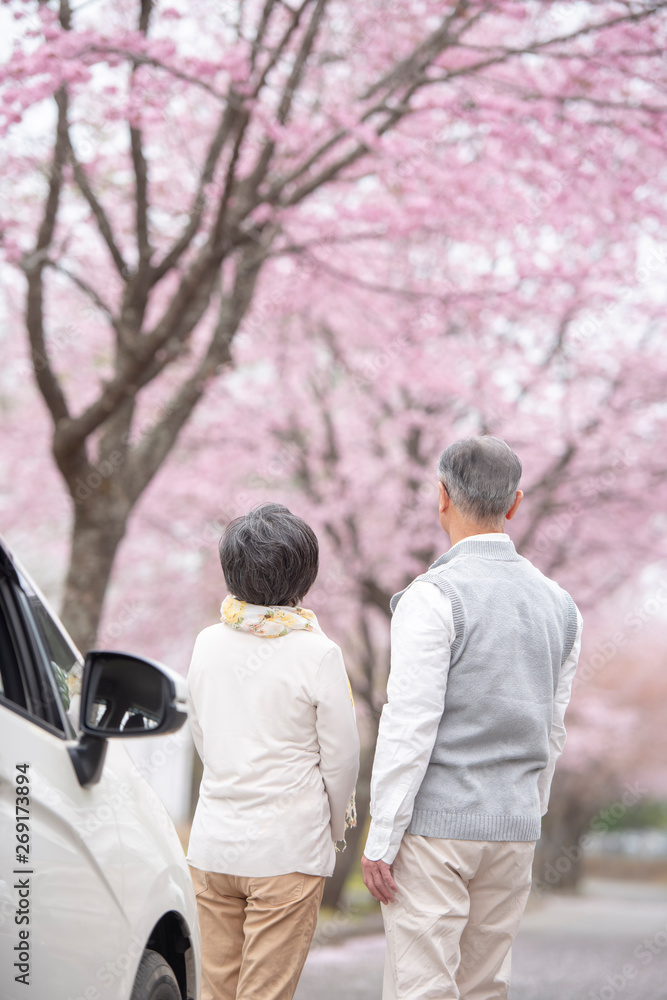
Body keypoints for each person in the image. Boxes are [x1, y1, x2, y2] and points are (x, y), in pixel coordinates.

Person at [361, 436, 582, 1000]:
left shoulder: (432, 597)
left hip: (436, 831)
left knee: (422, 989)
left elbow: (409, 724)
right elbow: (553, 729)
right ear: (515, 504)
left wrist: (382, 836)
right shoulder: (561, 606)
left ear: (441, 496)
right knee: (485, 987)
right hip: (513, 828)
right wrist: (527, 811)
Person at [187, 502, 360, 1000]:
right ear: (304, 574)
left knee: (215, 991)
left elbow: (202, 734)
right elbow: (342, 759)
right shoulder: (317, 652)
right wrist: (332, 829)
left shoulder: (206, 643)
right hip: (287, 850)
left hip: (213, 846)